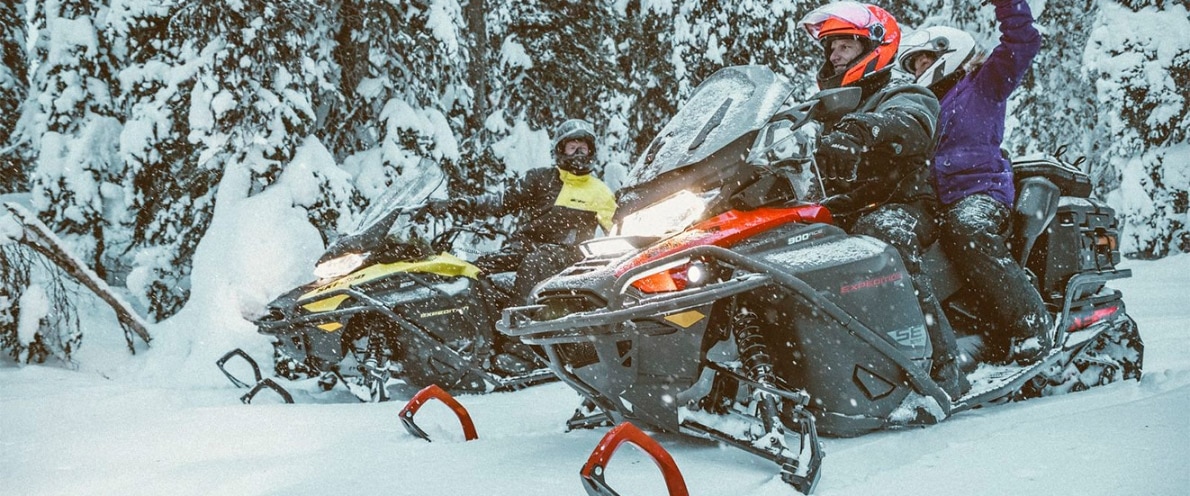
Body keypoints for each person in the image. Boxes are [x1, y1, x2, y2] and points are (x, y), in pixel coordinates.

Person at [798, 1, 969, 397]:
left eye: (844, 46)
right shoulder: (823, 107)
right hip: (844, 208)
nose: (834, 55)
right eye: (831, 48)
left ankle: (941, 371)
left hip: (904, 206)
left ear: (874, 47)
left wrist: (862, 131)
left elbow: (911, 122)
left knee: (881, 233)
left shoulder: (902, 91)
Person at [896, 0, 1050, 364]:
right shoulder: (918, 107)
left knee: (967, 230)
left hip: (982, 191)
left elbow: (1022, 42)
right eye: (914, 64)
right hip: (937, 201)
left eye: (924, 60)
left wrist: (1008, 5)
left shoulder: (983, 84)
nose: (920, 70)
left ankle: (1030, 324)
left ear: (950, 53)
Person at [428, 118, 618, 301]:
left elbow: (618, 229)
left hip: (569, 255)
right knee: (478, 269)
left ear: (591, 152)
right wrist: (464, 203)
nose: (578, 154)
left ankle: (520, 321)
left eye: (583, 149)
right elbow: (503, 200)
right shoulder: (540, 178)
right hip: (526, 247)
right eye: (572, 148)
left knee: (535, 263)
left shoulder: (599, 191)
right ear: (561, 150)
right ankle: (481, 325)